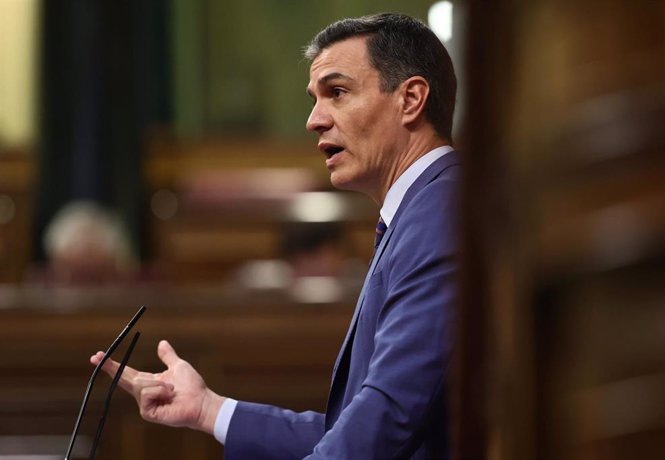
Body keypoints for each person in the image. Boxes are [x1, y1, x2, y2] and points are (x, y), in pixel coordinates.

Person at [91, 12, 459, 459]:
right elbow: (355, 430)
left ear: (411, 99)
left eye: (337, 93)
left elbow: (388, 417)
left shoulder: (441, 210)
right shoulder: (420, 211)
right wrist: (209, 409)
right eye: (315, 98)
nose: (314, 120)